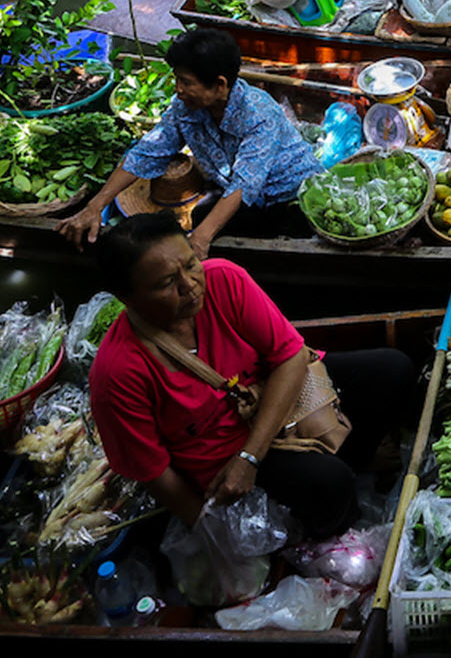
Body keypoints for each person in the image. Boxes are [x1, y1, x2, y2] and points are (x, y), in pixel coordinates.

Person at [88, 212, 416, 537]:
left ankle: (352, 460)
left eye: (190, 265)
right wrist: (212, 535)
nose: (190, 286)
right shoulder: (117, 372)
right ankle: (328, 533)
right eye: (166, 283)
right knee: (331, 483)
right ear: (127, 297)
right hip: (222, 453)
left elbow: (289, 356)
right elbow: (153, 471)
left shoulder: (224, 280)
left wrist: (251, 457)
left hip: (271, 401)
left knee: (392, 370)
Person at [59, 28, 322, 258]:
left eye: (186, 82)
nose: (177, 89)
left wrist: (200, 239)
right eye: (177, 79)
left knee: (274, 242)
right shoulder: (185, 108)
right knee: (199, 219)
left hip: (291, 195)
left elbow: (245, 183)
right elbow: (147, 153)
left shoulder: (258, 114)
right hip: (239, 194)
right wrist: (95, 205)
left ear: (219, 85)